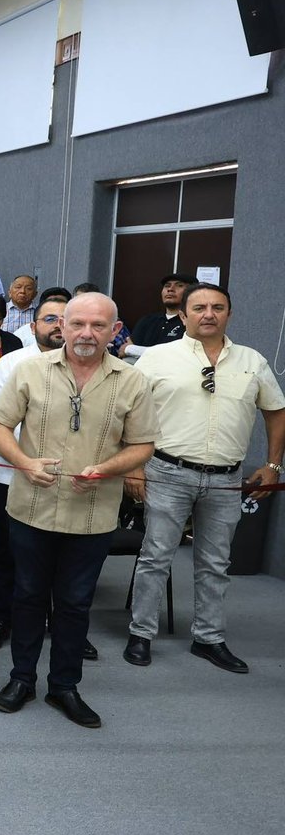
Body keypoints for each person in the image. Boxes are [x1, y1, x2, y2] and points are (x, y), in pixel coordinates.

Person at [0, 293, 156, 728]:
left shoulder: (132, 381)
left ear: (114, 331)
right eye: (77, 323)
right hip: (31, 507)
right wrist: (24, 462)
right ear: (61, 326)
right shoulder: (30, 369)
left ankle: (64, 686)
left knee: (75, 603)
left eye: (98, 326)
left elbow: (142, 445)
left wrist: (109, 468)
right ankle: (21, 679)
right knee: (27, 596)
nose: (86, 333)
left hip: (93, 513)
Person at [124, 283, 285, 671]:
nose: (208, 314)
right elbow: (129, 411)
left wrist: (273, 464)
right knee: (156, 557)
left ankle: (209, 638)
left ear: (229, 313)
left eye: (217, 307)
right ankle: (141, 634)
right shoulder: (157, 358)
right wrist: (133, 465)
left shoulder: (252, 361)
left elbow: (276, 411)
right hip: (167, 472)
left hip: (226, 479)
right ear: (183, 315)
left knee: (215, 562)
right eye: (199, 308)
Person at [0, 288, 69, 651]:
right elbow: (1, 422)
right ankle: (0, 618)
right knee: (9, 551)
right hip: (12, 471)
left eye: (66, 319)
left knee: (63, 555)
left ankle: (60, 623)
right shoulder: (12, 363)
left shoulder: (87, 364)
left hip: (66, 475)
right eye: (50, 319)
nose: (58, 325)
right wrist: (29, 460)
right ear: (33, 326)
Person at [129, 273, 197, 350]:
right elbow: (125, 350)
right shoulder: (147, 320)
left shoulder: (193, 323)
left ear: (192, 293)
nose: (170, 289)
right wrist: (131, 349)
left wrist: (132, 350)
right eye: (167, 286)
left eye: (179, 285)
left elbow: (178, 354)